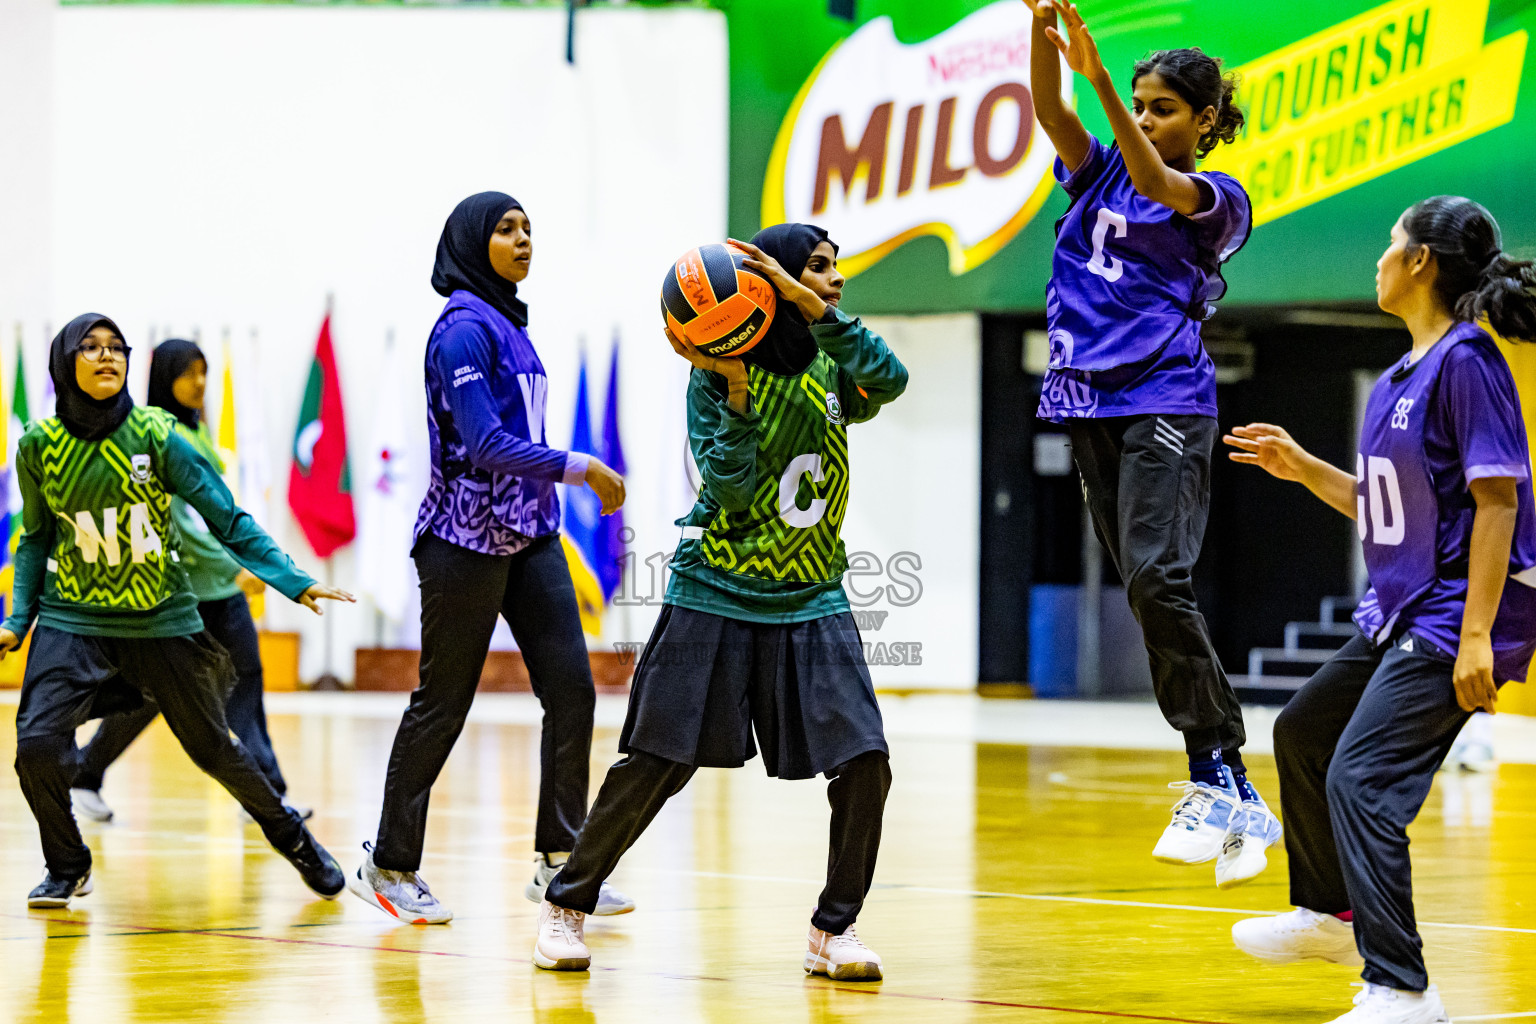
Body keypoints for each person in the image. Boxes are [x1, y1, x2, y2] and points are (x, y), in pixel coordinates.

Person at [531, 224, 907, 982]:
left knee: (866, 760)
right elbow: (729, 489)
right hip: (717, 592)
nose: (834, 280)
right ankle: (566, 905)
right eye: (817, 269)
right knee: (657, 763)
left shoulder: (832, 363)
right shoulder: (711, 379)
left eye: (835, 270)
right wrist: (734, 390)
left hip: (812, 594)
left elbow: (889, 379)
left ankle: (833, 930)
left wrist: (817, 309)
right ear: (763, 283)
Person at [1224, 196, 1536, 1024]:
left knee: (1361, 780)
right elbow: (1390, 506)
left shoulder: (1469, 360)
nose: (1380, 258)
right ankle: (1331, 917)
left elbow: (1497, 503)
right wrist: (1304, 470)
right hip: (1402, 603)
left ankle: (1403, 989)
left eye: (1391, 243)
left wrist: (1476, 638)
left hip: (1462, 610)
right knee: (1302, 730)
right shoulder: (1402, 374)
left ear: (1423, 261)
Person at [1021, 0, 1272, 886]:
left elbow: (1162, 184)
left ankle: (1218, 764)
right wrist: (1042, 33)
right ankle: (1226, 780)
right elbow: (1052, 116)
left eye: (1164, 107)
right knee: (1142, 584)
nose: (1147, 117)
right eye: (1140, 102)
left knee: (1160, 574)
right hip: (1085, 402)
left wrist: (1098, 80)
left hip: (1165, 394)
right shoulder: (1094, 177)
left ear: (1204, 122)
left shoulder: (1218, 198)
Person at [3, 314, 354, 908]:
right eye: (90, 348)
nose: (106, 356)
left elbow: (226, 517)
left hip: (158, 619)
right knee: (35, 743)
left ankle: (294, 838)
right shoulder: (38, 446)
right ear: (66, 362)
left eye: (116, 347)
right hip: (73, 620)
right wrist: (18, 620)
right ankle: (67, 864)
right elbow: (35, 539)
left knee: (214, 747)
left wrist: (292, 580)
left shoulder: (156, 434)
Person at [346, 191, 630, 925]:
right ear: (473, 244)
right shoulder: (462, 332)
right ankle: (390, 864)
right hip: (462, 543)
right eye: (506, 230)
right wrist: (582, 468)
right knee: (442, 705)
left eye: (529, 227)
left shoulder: (511, 325)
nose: (524, 239)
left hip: (530, 538)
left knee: (572, 692)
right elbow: (485, 445)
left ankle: (561, 861)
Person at [68, 339, 308, 824]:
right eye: (188, 373)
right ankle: (84, 776)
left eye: (204, 372)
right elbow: (180, 524)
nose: (199, 383)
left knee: (246, 682)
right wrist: (235, 568)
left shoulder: (197, 433)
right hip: (179, 598)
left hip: (221, 595)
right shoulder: (156, 436)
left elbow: (217, 515)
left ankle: (266, 793)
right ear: (164, 379)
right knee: (149, 696)